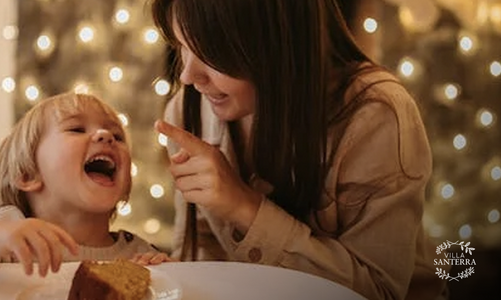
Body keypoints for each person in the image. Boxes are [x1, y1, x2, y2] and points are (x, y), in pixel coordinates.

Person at [150, 0, 448, 299]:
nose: (188, 76)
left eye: (210, 52)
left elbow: (379, 291)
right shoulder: (189, 112)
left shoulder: (375, 117)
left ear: (279, 43)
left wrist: (244, 207)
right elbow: (199, 255)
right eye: (182, 47)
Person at [0, 92, 169, 284]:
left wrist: (166, 274)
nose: (105, 136)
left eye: (118, 136)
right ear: (28, 174)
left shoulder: (139, 254)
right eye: (76, 129)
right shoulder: (8, 237)